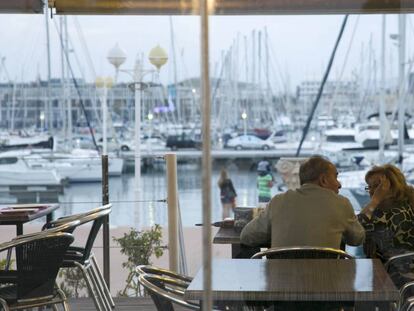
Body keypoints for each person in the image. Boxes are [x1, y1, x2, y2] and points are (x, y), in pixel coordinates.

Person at [240, 155, 365, 249]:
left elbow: (246, 236)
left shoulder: (278, 201)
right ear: (323, 180)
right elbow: (357, 239)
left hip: (281, 281)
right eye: (336, 177)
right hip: (327, 280)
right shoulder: (342, 204)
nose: (339, 184)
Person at [358, 164, 414, 262]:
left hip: (393, 271)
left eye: (377, 186)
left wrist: (375, 200)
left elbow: (355, 230)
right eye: (369, 187)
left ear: (393, 187)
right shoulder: (407, 203)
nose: (371, 191)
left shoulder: (393, 214)